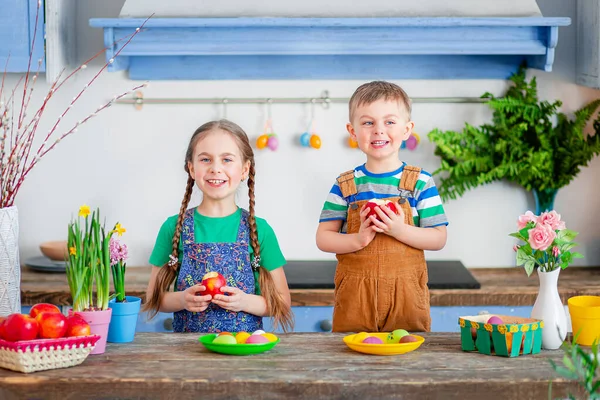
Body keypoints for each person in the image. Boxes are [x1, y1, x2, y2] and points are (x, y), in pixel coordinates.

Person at [316, 81, 448, 333]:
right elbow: (323, 238)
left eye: (389, 122)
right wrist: (358, 239)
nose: (379, 130)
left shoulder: (420, 182)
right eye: (368, 123)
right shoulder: (346, 185)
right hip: (355, 298)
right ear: (352, 131)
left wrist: (400, 230)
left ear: (407, 129)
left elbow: (439, 238)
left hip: (406, 296)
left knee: (408, 359)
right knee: (351, 357)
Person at [143, 119, 293, 333]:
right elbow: (154, 299)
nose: (215, 168)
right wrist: (182, 300)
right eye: (205, 159)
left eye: (227, 160)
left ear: (244, 169)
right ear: (192, 168)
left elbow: (282, 301)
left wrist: (244, 302)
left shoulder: (260, 230)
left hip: (242, 352)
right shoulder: (173, 227)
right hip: (187, 353)